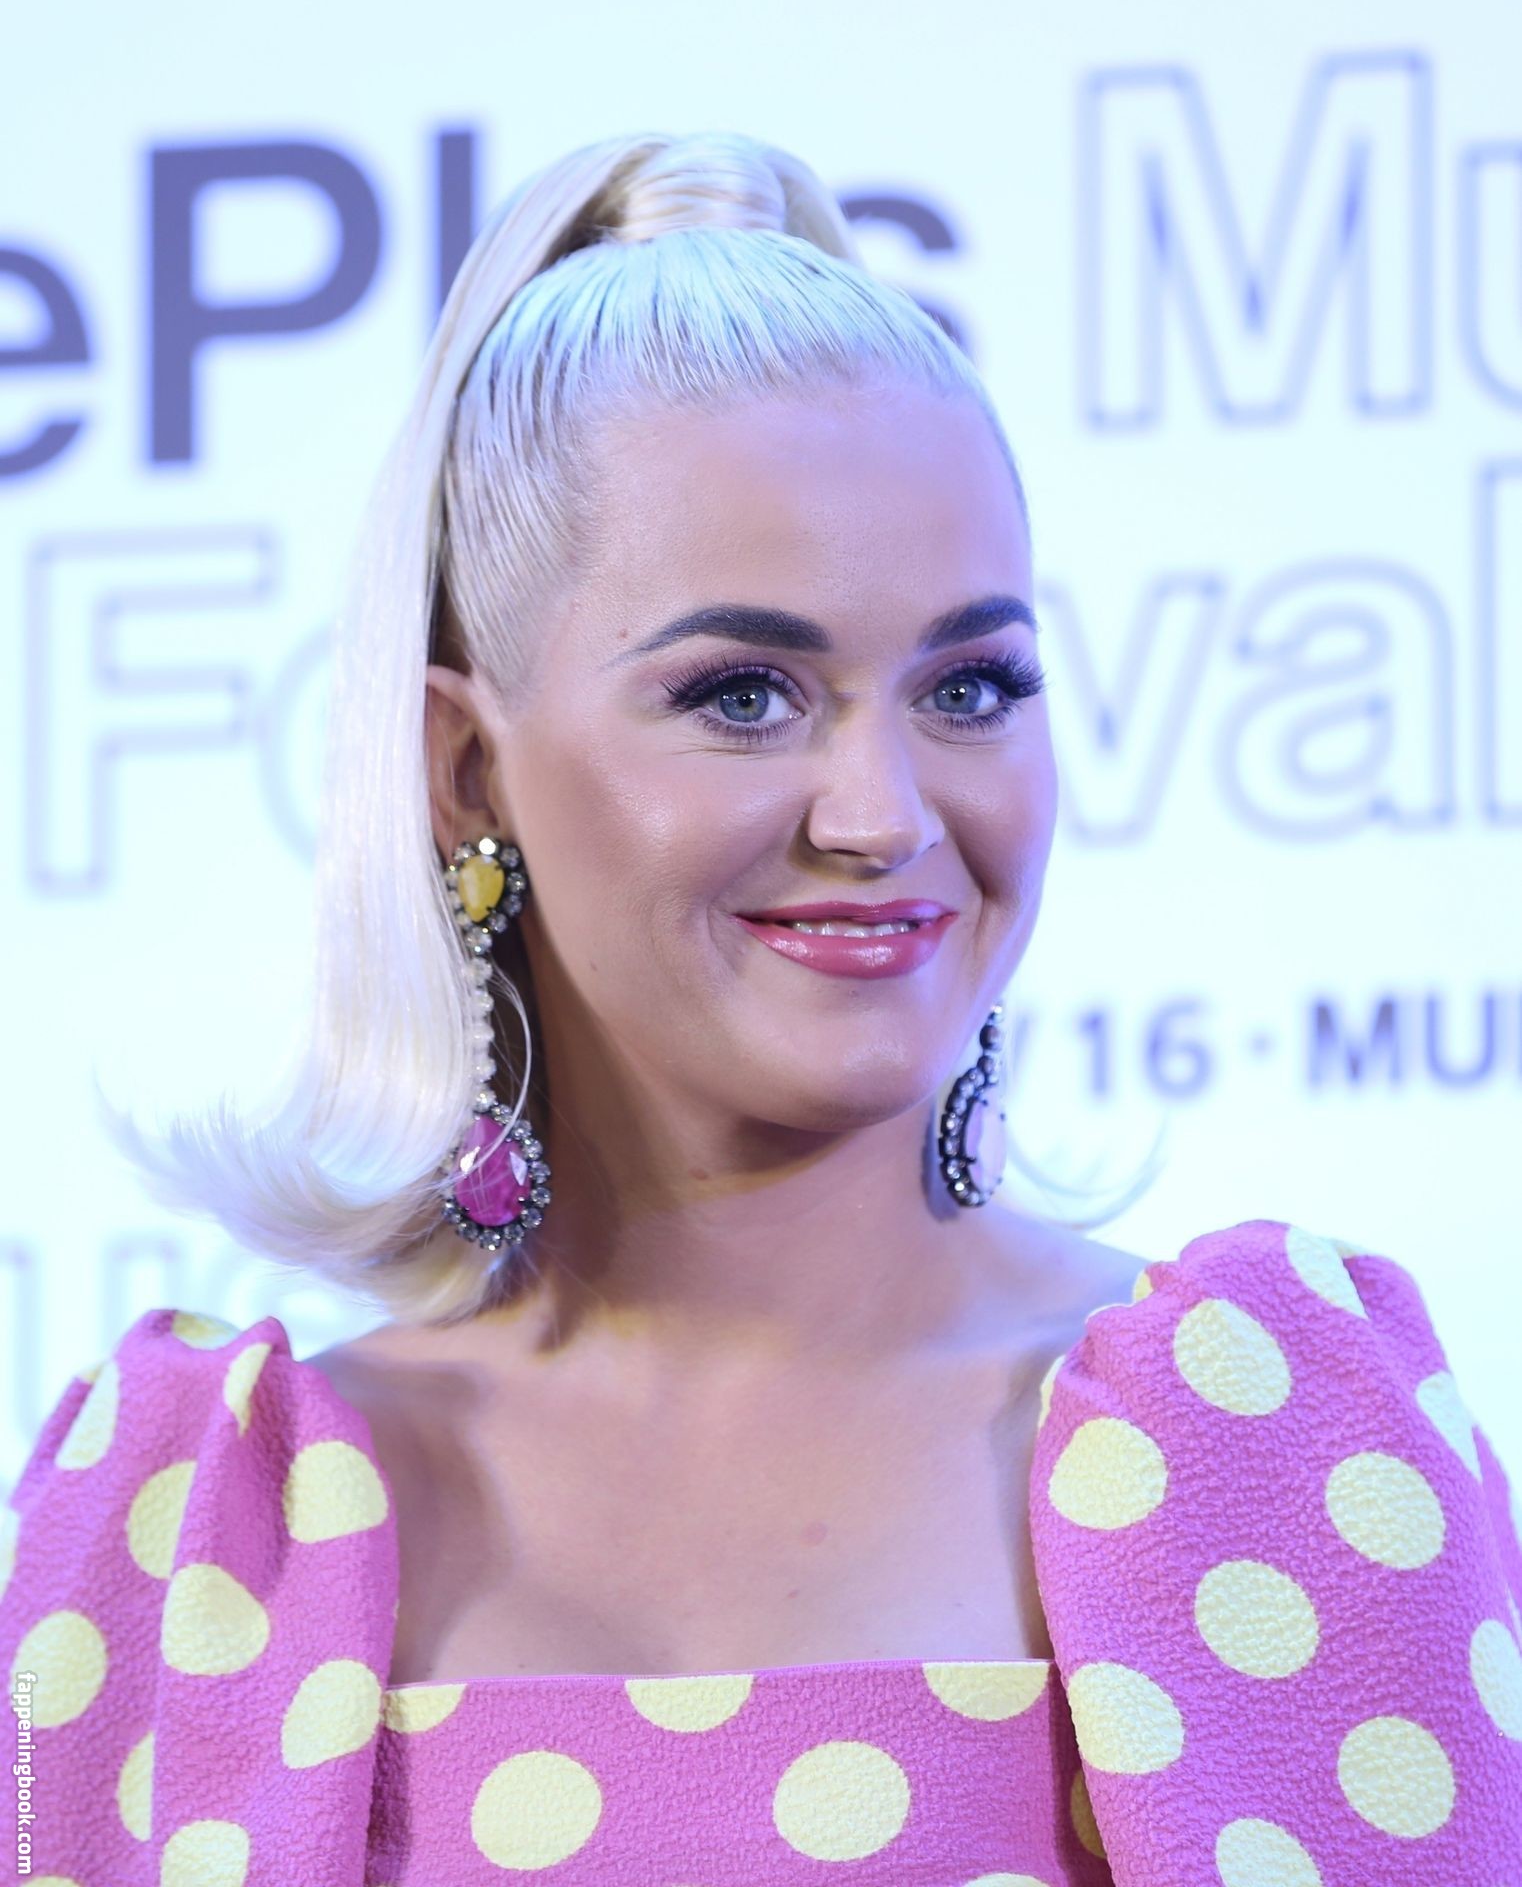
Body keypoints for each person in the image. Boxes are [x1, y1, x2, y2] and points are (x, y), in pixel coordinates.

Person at [3, 130, 1519, 1887]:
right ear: (463, 770)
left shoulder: (1269, 1445)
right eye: (742, 695)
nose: (881, 813)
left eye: (970, 686)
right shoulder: (199, 1536)